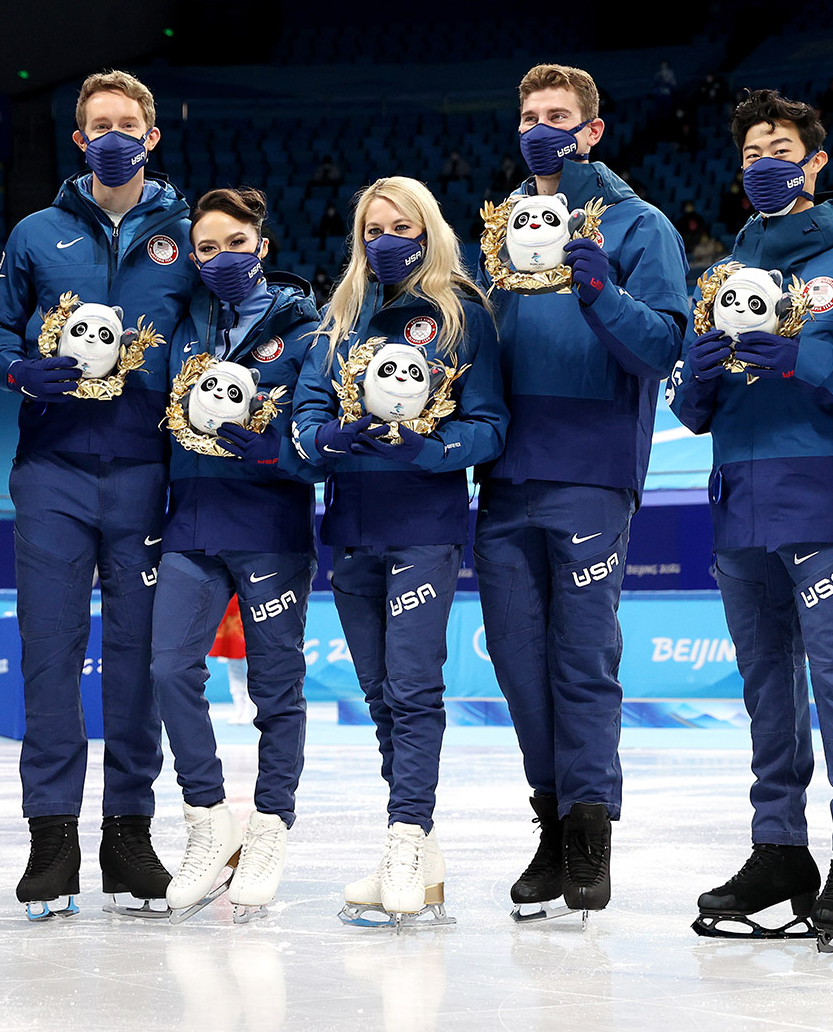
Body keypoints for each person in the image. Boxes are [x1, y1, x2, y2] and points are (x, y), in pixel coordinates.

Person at [668, 90, 833, 951]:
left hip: (825, 500)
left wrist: (804, 356)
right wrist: (695, 373)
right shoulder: (721, 275)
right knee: (767, 690)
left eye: (781, 148)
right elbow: (694, 415)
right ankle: (780, 849)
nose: (764, 162)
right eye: (752, 152)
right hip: (739, 509)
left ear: (816, 160)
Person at [0, 69, 195, 920]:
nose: (113, 136)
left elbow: (215, 337)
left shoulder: (186, 233)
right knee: (50, 653)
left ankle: (129, 831)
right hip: (53, 471)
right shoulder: (37, 233)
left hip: (149, 471)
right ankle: (51, 836)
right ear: (79, 139)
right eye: (98, 124)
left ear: (150, 136)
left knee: (140, 658)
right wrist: (15, 368)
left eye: (127, 124)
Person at [476, 63, 688, 921]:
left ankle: (591, 829)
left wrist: (598, 285)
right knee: (519, 666)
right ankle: (552, 822)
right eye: (529, 114)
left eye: (558, 115)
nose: (541, 128)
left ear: (592, 130)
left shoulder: (640, 227)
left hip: (591, 474)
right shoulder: (499, 230)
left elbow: (663, 347)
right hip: (502, 478)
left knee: (581, 661)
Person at [292, 175, 508, 925]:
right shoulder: (341, 314)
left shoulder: (461, 314)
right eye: (373, 228)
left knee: (414, 688)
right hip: (350, 525)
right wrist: (326, 438)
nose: (386, 239)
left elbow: (490, 425)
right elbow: (309, 409)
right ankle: (422, 847)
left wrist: (435, 450)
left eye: (401, 226)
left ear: (429, 230)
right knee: (382, 694)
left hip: (425, 524)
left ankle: (406, 838)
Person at [150, 187, 323, 922]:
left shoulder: (308, 330)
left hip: (271, 527)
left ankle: (270, 827)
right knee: (167, 666)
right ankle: (207, 816)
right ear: (194, 256)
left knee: (274, 689)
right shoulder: (185, 322)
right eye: (208, 247)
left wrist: (277, 451)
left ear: (264, 245)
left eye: (237, 242)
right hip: (191, 522)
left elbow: (318, 447)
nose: (223, 257)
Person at [209, 598, 253, 725]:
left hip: (247, 607)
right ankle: (239, 708)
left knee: (253, 666)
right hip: (228, 612)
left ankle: (250, 709)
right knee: (234, 665)